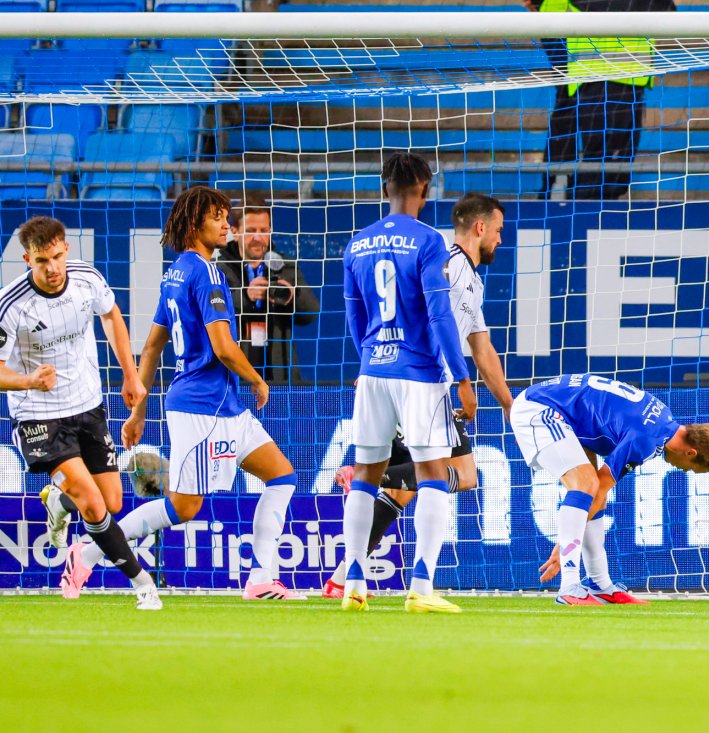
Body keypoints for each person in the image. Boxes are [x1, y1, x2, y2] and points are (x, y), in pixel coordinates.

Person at [71, 186, 306, 602]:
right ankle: (87, 553)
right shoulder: (207, 272)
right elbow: (223, 347)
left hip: (223, 406)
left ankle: (259, 580)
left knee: (282, 476)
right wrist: (257, 379)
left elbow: (154, 343)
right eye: (218, 217)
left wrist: (138, 410)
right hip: (202, 408)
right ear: (196, 223)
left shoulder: (176, 270)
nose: (227, 225)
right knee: (183, 508)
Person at [322, 193, 514, 599]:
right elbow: (436, 322)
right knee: (456, 477)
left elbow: (482, 348)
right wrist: (458, 381)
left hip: (394, 376)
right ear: (480, 228)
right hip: (426, 387)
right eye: (497, 230)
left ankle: (343, 577)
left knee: (408, 488)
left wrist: (509, 405)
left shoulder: (465, 275)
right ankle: (418, 583)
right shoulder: (453, 269)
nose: (500, 239)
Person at [341, 152, 477, 614]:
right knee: (434, 473)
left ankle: (354, 581)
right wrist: (461, 376)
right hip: (418, 373)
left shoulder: (357, 244)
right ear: (425, 188)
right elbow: (439, 314)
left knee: (365, 474)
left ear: (385, 189)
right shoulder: (430, 241)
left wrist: (373, 360)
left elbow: (355, 319)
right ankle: (421, 585)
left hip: (372, 371)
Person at [3, 217, 160, 610]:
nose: (52, 268)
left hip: (88, 406)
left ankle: (59, 500)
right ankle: (143, 585)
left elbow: (111, 315)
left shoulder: (87, 278)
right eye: (42, 261)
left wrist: (129, 374)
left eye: (57, 257)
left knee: (112, 502)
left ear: (66, 249)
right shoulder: (11, 306)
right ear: (27, 260)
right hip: (39, 416)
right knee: (92, 503)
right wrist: (28, 382)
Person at [511, 372, 709, 605]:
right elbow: (597, 488)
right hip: (540, 408)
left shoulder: (664, 420)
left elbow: (600, 492)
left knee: (595, 492)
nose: (684, 471)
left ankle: (600, 584)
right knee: (587, 486)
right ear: (691, 453)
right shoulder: (646, 441)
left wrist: (569, 539)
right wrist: (564, 545)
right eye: (691, 469)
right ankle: (569, 587)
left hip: (564, 409)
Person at [527, 0, 676, 200]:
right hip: (610, 75)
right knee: (603, 170)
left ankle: (562, 202)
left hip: (599, 73)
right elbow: (663, 9)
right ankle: (578, 215)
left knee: (603, 168)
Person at [216, 204, 319, 385]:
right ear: (235, 231)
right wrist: (246, 297)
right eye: (250, 231)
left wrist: (291, 298)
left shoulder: (283, 265)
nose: (258, 237)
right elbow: (212, 312)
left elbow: (311, 313)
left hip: (279, 373)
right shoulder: (220, 268)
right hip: (233, 375)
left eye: (264, 230)